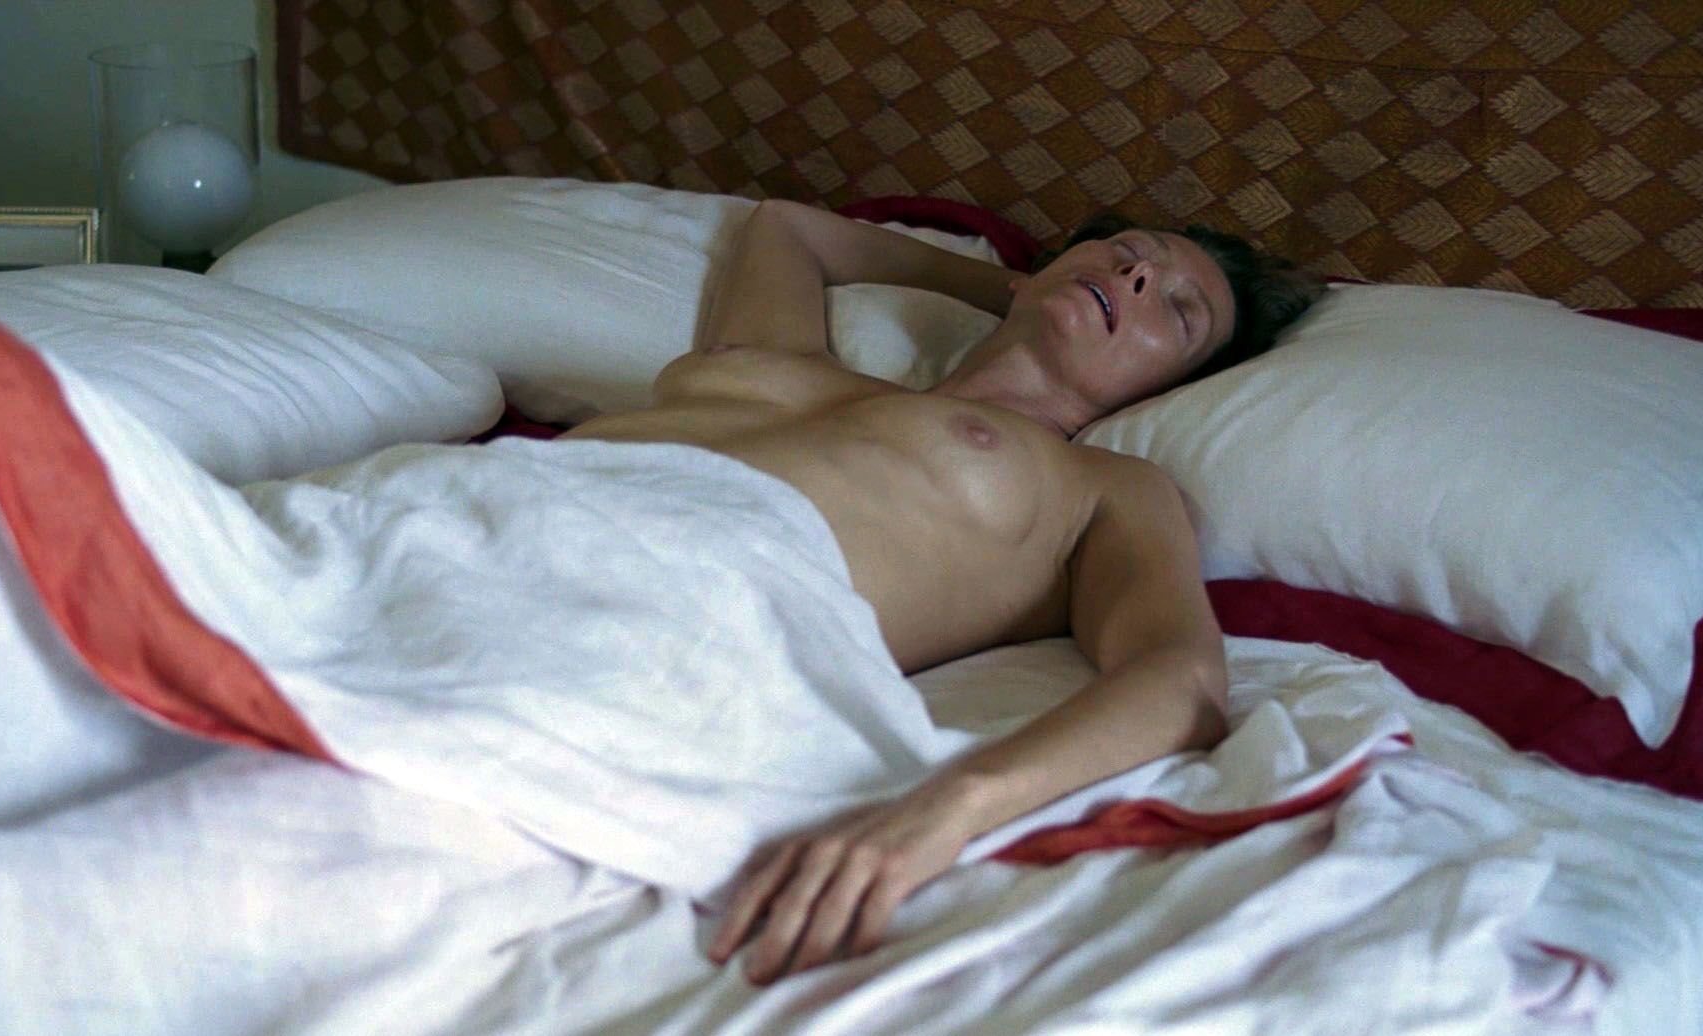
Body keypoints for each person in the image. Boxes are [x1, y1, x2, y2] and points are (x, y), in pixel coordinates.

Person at [561, 199, 1323, 984]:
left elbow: (1182, 682)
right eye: (1127, 251)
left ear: (1171, 388)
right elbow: (785, 226)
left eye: (1178, 310)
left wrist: (952, 808)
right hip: (496, 499)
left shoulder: (1107, 487)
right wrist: (1023, 284)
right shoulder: (781, 358)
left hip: (646, 622)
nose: (1136, 275)